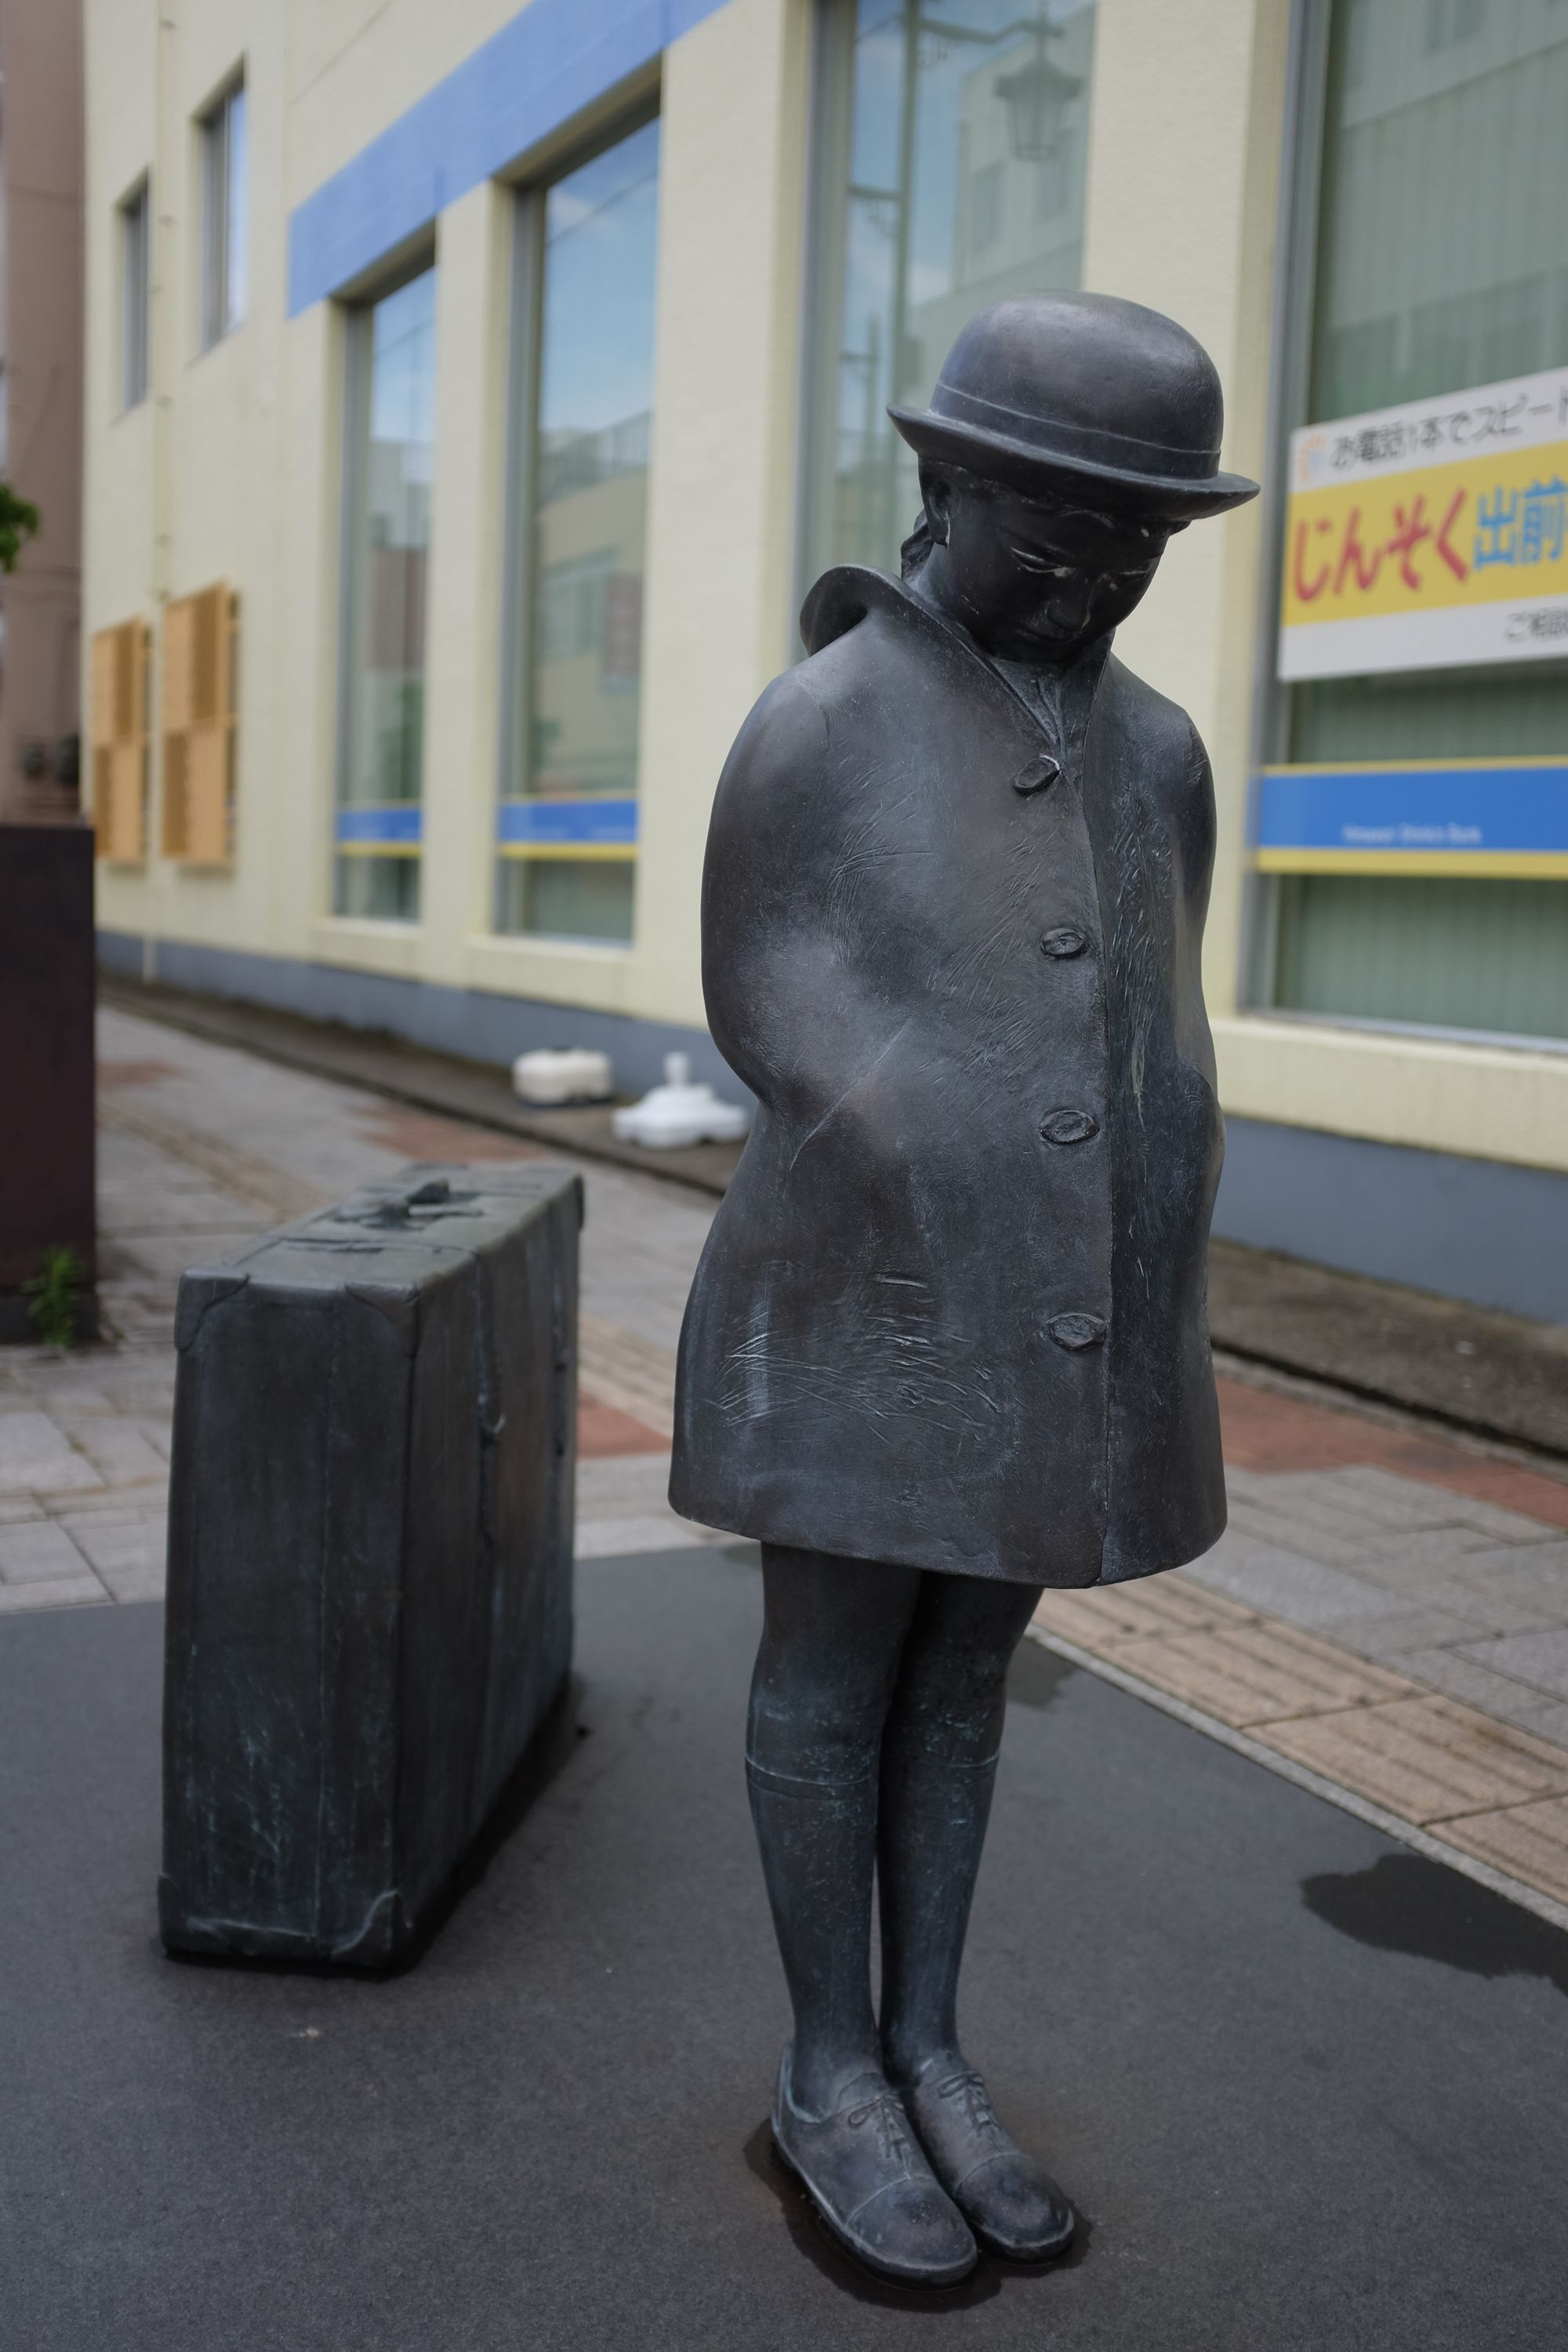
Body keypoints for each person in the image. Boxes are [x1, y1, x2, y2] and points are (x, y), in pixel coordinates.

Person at [670, 292, 1258, 2288]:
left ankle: (932, 2038)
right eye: (1062, 530)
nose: (1101, 573)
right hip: (865, 1302)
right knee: (835, 1671)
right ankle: (832, 2062)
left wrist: (1154, 1216)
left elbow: (1160, 1017)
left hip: (1066, 1314)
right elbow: (768, 983)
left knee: (967, 1684)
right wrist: (912, 1144)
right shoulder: (825, 719)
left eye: (1141, 546)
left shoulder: (1156, 750)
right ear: (942, 487)